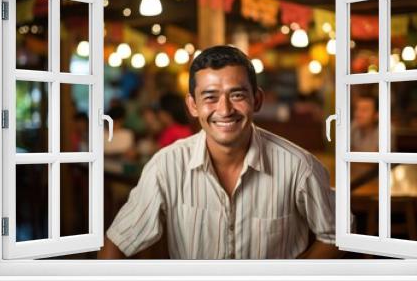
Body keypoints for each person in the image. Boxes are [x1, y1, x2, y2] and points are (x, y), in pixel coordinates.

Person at [99, 45, 340, 259]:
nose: (224, 109)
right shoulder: (166, 166)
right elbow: (116, 243)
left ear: (256, 100)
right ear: (193, 105)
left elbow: (336, 234)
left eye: (237, 95)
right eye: (210, 97)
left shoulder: (298, 166)